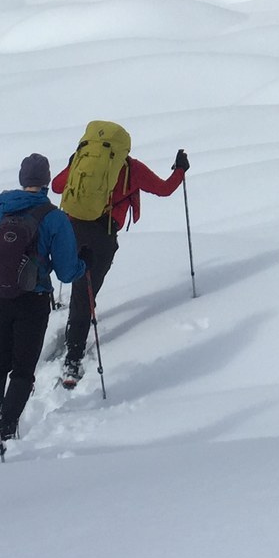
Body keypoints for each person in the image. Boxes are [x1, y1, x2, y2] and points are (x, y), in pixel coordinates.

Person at [50, 121, 189, 388]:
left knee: (80, 288)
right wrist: (180, 169)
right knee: (86, 292)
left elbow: (57, 187)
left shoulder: (81, 161)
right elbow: (164, 189)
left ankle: (70, 321)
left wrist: (74, 166)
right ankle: (72, 360)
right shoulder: (131, 168)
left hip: (71, 228)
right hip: (102, 235)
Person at [0, 153, 85, 439]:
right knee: (22, 369)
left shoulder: (0, 211)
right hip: (33, 301)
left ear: (22, 179)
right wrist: (85, 264)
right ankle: (6, 427)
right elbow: (68, 272)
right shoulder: (54, 218)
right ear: (46, 180)